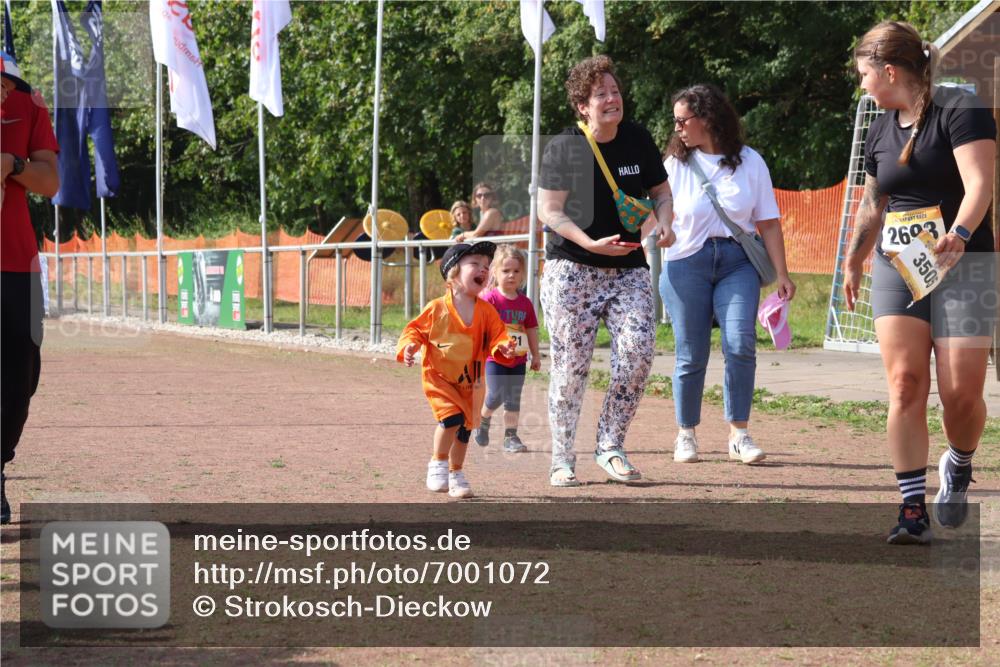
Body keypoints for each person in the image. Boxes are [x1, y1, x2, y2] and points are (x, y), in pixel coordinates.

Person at [845, 21, 996, 545]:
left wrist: (958, 234)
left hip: (964, 262)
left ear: (889, 71)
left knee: (962, 396)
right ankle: (911, 507)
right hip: (897, 263)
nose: (861, 84)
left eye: (864, 74)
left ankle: (958, 460)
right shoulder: (881, 127)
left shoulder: (960, 108)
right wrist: (853, 259)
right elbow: (872, 202)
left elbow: (980, 182)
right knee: (906, 384)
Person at [537, 55, 674, 487]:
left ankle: (610, 445)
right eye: (601, 95)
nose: (612, 99)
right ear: (583, 105)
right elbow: (549, 211)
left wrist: (664, 221)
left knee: (637, 353)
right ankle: (562, 457)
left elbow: (661, 193)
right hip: (572, 269)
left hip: (630, 268)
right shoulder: (564, 146)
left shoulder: (637, 138)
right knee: (570, 367)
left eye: (615, 92)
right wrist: (588, 243)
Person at [658, 84, 795, 466]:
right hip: (686, 262)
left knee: (740, 343)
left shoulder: (751, 162)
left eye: (684, 120)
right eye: (677, 122)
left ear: (708, 119)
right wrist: (661, 229)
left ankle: (739, 434)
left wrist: (782, 273)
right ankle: (686, 433)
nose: (678, 128)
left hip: (737, 262)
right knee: (691, 353)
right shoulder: (674, 164)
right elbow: (659, 209)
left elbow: (768, 223)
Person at [397, 241, 517, 499]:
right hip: (439, 379)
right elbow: (414, 330)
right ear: (453, 272)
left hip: (472, 383)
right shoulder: (437, 308)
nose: (483, 270)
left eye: (486, 266)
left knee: (464, 429)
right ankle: (438, 463)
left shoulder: (487, 311)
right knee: (450, 419)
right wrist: (409, 346)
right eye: (475, 264)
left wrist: (504, 347)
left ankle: (456, 473)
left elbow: (498, 336)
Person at [1, 53, 59, 525]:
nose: (6, 92)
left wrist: (11, 163)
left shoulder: (29, 103)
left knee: (22, 374)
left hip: (17, 265)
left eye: (8, 82)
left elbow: (50, 181)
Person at [472, 244, 541, 453]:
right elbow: (479, 327)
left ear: (522, 274)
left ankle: (511, 437)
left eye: (516, 271)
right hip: (495, 359)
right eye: (506, 271)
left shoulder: (526, 303)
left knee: (513, 398)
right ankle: (483, 419)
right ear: (495, 272)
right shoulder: (489, 299)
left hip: (518, 359)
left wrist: (536, 355)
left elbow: (531, 329)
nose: (511, 275)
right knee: (496, 395)